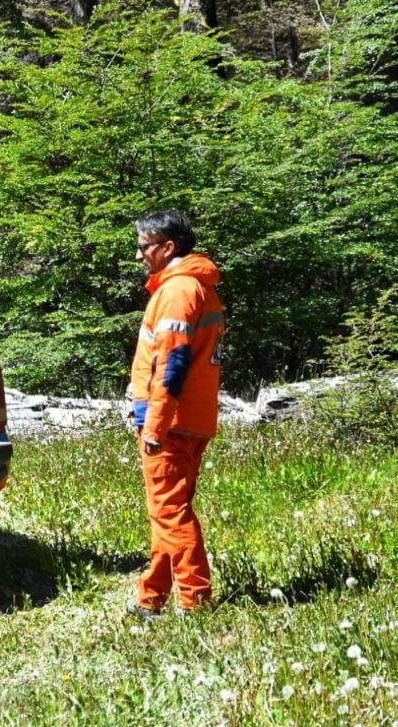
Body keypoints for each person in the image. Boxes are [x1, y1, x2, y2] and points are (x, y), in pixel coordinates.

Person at [127, 211, 225, 618]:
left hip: (171, 422)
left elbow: (173, 362)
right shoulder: (193, 286)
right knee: (167, 513)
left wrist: (154, 423)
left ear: (168, 248)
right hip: (188, 418)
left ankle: (195, 602)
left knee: (171, 513)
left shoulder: (179, 290)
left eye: (144, 246)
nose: (138, 255)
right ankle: (151, 597)